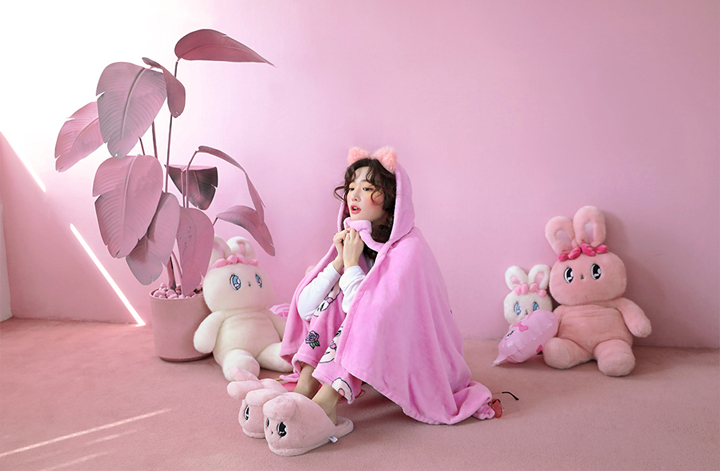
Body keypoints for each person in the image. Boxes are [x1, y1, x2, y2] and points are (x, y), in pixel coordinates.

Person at [279, 146, 500, 431]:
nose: (354, 196)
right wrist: (339, 262)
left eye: (367, 188)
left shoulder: (410, 248)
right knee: (333, 299)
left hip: (413, 349)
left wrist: (351, 264)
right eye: (351, 187)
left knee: (361, 310)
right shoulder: (356, 240)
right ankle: (306, 384)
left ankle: (327, 402)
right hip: (375, 342)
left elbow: (370, 317)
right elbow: (307, 308)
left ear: (391, 198)